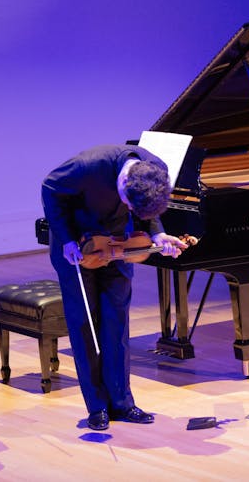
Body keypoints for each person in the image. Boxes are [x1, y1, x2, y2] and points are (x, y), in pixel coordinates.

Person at [41, 144, 188, 430]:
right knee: (85, 325)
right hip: (78, 247)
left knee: (116, 323)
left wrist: (158, 233)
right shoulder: (88, 166)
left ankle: (122, 404)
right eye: (128, 203)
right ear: (123, 182)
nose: (130, 208)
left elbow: (146, 212)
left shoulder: (155, 170)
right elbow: (49, 188)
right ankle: (96, 408)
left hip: (119, 246)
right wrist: (67, 239)